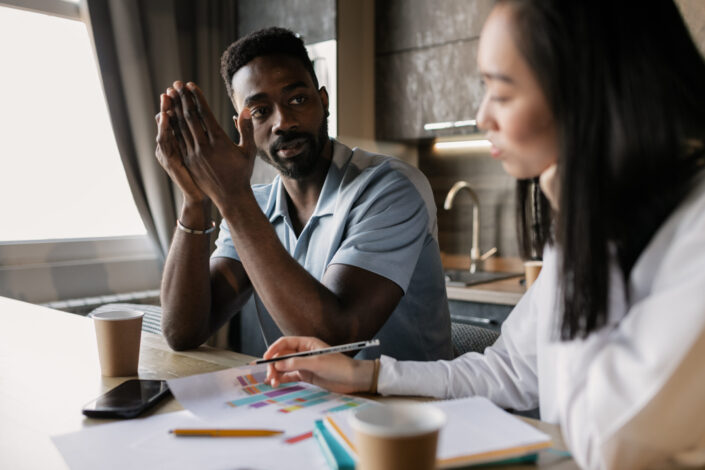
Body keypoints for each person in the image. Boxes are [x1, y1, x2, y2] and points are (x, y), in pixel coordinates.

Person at [262, 2, 705, 469]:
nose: (481, 115)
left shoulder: (676, 231)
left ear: (588, 91)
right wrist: (365, 374)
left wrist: (579, 213)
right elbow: (511, 370)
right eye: (483, 88)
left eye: (503, 92)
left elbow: (610, 447)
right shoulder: (599, 211)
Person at [154, 27, 453, 361]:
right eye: (259, 111)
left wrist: (231, 197)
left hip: (409, 409)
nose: (283, 122)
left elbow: (335, 341)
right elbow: (182, 331)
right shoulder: (255, 206)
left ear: (323, 101)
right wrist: (195, 200)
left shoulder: (390, 187)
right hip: (310, 405)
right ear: (243, 127)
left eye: (297, 99)